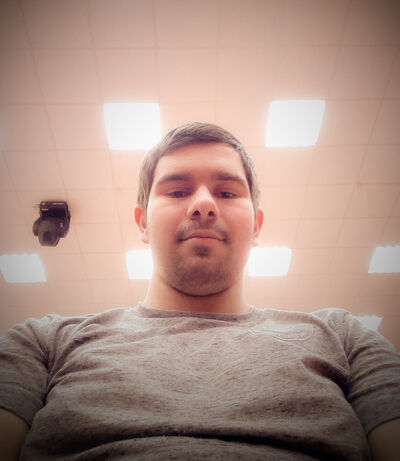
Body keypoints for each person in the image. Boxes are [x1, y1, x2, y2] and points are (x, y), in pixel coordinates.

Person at [0, 122, 399, 460]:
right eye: (177, 191)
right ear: (142, 224)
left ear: (257, 226)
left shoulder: (342, 338)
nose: (204, 205)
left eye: (227, 193)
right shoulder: (43, 342)